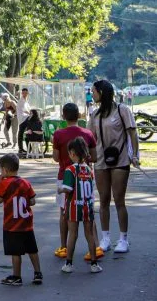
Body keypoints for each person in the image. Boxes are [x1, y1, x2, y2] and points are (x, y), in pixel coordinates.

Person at [88, 80, 140, 254]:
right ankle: (105, 238)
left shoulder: (122, 110)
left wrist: (135, 155)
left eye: (93, 91)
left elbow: (132, 132)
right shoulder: (94, 115)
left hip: (120, 160)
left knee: (119, 199)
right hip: (101, 161)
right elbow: (90, 139)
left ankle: (123, 239)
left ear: (101, 92)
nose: (92, 94)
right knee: (103, 199)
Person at [52, 102, 99, 261]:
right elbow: (95, 157)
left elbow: (56, 157)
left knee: (64, 212)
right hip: (85, 176)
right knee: (88, 211)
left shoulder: (58, 134)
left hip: (64, 175)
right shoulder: (88, 133)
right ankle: (95, 247)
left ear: (64, 116)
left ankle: (64, 247)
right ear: (79, 115)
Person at [0, 153, 42, 286]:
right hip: (26, 224)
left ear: (5, 170)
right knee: (32, 249)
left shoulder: (5, 183)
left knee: (15, 252)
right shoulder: (25, 182)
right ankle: (38, 273)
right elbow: (32, 201)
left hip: (12, 225)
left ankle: (17, 276)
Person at [57, 137, 101, 274]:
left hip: (74, 206)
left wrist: (60, 189)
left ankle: (69, 263)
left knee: (73, 234)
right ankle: (94, 263)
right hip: (87, 205)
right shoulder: (88, 169)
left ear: (72, 153)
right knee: (89, 234)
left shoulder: (70, 170)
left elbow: (68, 189)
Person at [15, 88, 32, 154]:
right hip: (22, 119)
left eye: (26, 93)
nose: (25, 94)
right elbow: (25, 110)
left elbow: (28, 109)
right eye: (23, 93)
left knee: (24, 133)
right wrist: (30, 113)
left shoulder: (26, 101)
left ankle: (26, 148)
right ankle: (21, 148)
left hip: (25, 118)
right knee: (22, 133)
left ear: (27, 94)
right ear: (22, 93)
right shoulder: (21, 101)